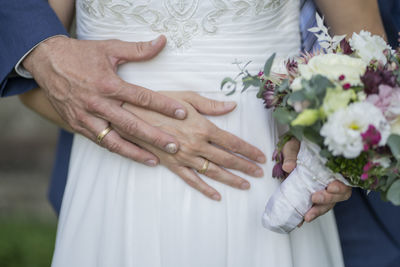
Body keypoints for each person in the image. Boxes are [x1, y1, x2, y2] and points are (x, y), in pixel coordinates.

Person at [15, 0, 384, 266]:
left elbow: (369, 58)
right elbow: (30, 80)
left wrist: (334, 150)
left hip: (266, 177)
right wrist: (131, 122)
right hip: (116, 173)